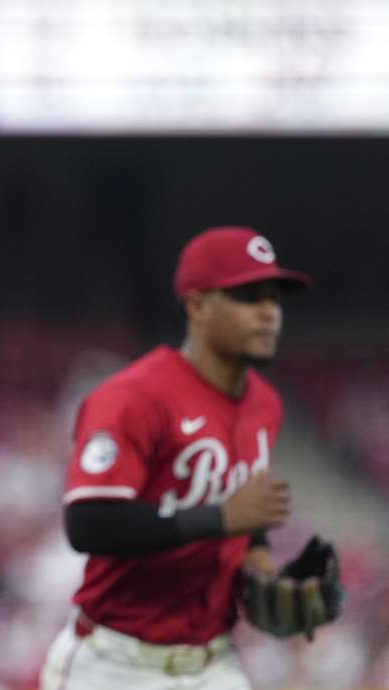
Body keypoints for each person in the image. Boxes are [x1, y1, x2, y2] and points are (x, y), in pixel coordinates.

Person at [40, 227, 315, 689]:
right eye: (248, 296)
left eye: (275, 297)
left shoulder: (265, 403)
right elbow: (89, 522)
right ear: (198, 304)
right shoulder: (133, 396)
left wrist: (263, 565)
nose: (269, 313)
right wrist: (221, 518)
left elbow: (243, 514)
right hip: (114, 662)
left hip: (213, 661)